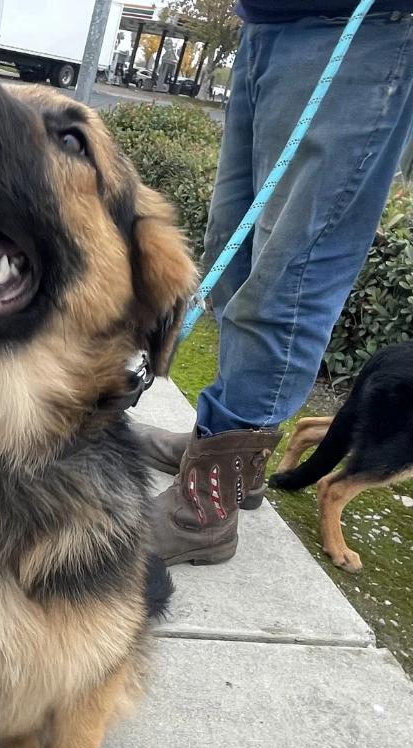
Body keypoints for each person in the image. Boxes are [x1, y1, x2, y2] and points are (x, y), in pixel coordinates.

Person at [139, 1, 413, 566]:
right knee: (230, 252)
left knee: (287, 277)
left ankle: (206, 510)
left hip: (356, 28)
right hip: (268, 23)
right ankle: (225, 454)